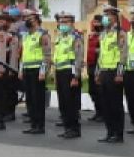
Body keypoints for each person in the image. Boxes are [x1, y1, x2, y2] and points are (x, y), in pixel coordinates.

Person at [96, 5, 128, 143]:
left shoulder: (120, 33)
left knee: (115, 104)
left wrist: (120, 73)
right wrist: (97, 73)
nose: (106, 17)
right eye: (105, 15)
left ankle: (118, 133)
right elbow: (101, 55)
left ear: (115, 17)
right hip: (104, 71)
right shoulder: (103, 34)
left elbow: (123, 54)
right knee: (106, 104)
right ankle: (109, 132)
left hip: (114, 72)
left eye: (108, 15)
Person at [19, 9, 52, 134]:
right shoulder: (26, 35)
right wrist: (21, 69)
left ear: (37, 20)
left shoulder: (43, 34)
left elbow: (47, 55)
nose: (27, 21)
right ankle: (33, 124)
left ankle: (40, 126)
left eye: (30, 19)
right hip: (27, 69)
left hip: (38, 70)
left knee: (38, 99)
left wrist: (43, 71)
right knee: (30, 99)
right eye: (26, 18)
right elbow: (23, 54)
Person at [52, 11, 84, 139]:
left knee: (71, 103)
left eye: (65, 22)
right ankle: (67, 127)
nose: (62, 24)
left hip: (70, 73)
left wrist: (76, 76)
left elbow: (78, 57)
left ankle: (74, 129)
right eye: (60, 22)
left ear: (72, 23)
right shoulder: (60, 37)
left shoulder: (76, 37)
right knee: (63, 102)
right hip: (60, 72)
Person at [85, 16, 104, 124]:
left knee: (99, 91)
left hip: (99, 65)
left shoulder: (103, 35)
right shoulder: (91, 35)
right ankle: (98, 112)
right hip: (91, 65)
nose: (95, 24)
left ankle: (103, 113)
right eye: (94, 22)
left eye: (97, 22)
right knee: (92, 91)